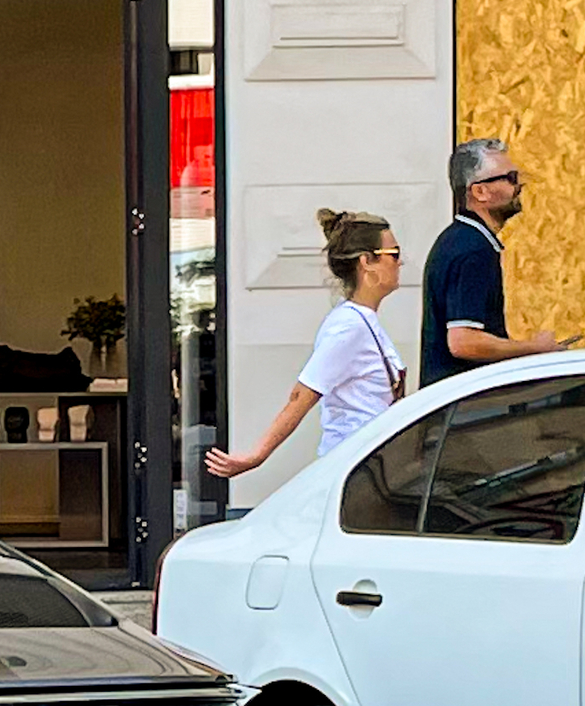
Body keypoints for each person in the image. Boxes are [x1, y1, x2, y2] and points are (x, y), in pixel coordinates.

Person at [207, 209, 404, 478]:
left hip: (367, 464)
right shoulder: (350, 327)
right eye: (393, 254)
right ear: (366, 261)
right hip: (355, 468)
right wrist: (257, 456)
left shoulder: (360, 322)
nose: (399, 263)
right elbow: (303, 394)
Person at [419, 137, 563, 387]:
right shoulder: (472, 250)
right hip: (464, 410)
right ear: (480, 191)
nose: (518, 186)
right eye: (509, 178)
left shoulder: (461, 240)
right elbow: (464, 342)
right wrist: (534, 348)